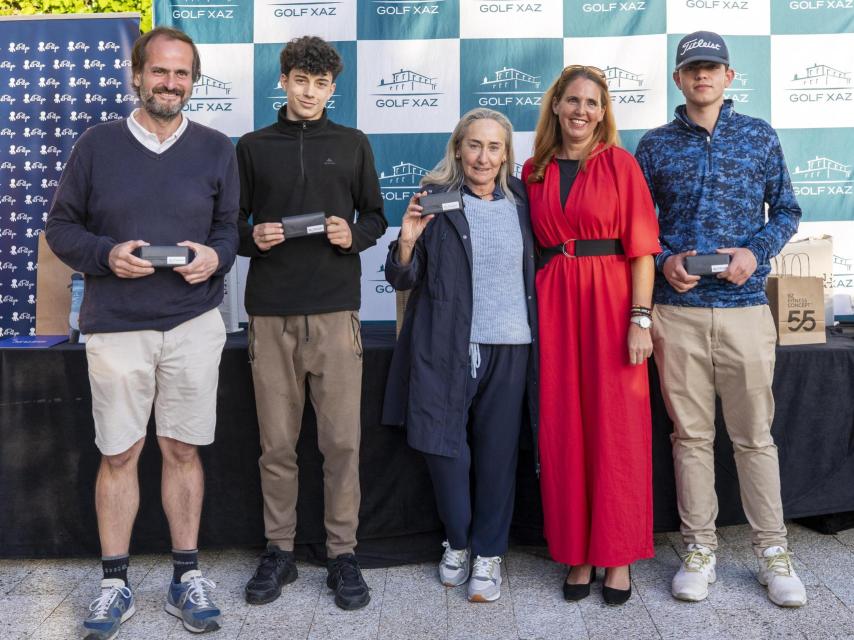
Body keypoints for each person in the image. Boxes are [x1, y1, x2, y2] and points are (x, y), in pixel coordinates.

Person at [45, 27, 238, 639]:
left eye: (183, 74)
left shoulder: (216, 148)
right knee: (120, 452)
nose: (171, 83)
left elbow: (231, 229)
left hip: (192, 323)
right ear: (136, 74)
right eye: (160, 72)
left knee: (183, 449)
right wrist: (106, 255)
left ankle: (186, 577)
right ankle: (114, 583)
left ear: (193, 82)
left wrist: (215, 257)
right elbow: (60, 228)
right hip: (117, 325)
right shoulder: (97, 145)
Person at [635, 31, 807, 607]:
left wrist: (755, 253)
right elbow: (639, 226)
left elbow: (786, 208)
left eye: (712, 68)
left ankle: (772, 551)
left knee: (755, 438)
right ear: (678, 79)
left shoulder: (759, 136)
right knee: (691, 437)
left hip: (746, 313)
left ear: (729, 77)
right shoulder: (654, 145)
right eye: (692, 69)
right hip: (677, 314)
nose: (702, 77)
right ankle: (700, 549)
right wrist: (665, 260)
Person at [236, 36, 386, 611]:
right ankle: (279, 549)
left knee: (341, 442)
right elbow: (229, 225)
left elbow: (375, 214)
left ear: (332, 87)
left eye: (320, 84)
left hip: (334, 311)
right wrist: (253, 238)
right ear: (283, 81)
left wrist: (357, 235)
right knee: (276, 444)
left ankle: (342, 551)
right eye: (300, 80)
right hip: (270, 314)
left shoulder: (352, 144)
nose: (309, 92)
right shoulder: (251, 146)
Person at [382, 107, 538, 603]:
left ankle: (489, 554)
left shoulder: (524, 204)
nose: (484, 156)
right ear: (458, 149)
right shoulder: (435, 201)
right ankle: (459, 541)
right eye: (475, 145)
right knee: (443, 448)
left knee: (496, 455)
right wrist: (406, 238)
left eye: (495, 147)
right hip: (449, 346)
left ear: (507, 154)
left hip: (511, 346)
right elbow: (403, 279)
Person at [523, 65, 660, 605]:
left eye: (592, 103)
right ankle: (578, 552)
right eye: (572, 100)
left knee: (616, 427)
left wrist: (640, 318)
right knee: (563, 429)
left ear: (604, 113)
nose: (582, 110)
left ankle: (618, 554)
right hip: (554, 303)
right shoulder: (533, 170)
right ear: (556, 105)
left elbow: (643, 249)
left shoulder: (621, 165)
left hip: (610, 302)